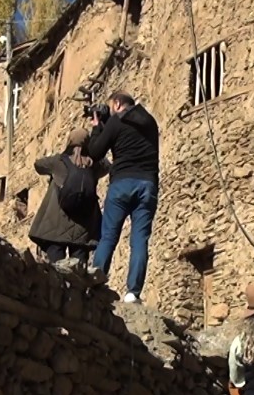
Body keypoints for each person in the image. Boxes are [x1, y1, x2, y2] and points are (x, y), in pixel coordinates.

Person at [82, 92, 160, 303]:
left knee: (109, 236)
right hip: (147, 184)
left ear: (116, 104)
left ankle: (96, 282)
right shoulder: (150, 122)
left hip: (122, 184)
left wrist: (98, 126)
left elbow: (96, 152)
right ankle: (133, 293)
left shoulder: (115, 122)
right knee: (140, 239)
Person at [28, 129, 105, 271]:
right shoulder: (93, 165)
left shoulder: (58, 162)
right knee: (79, 272)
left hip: (55, 228)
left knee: (56, 271)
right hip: (83, 229)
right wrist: (92, 150)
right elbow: (107, 165)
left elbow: (38, 165)